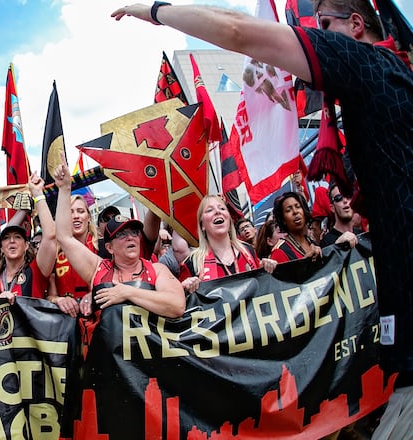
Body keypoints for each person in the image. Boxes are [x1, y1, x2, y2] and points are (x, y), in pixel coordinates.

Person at [113, 4, 412, 436]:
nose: (316, 33)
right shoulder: (390, 79)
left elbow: (238, 31)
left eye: (323, 26)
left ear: (356, 24)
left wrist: (155, 10)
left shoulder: (365, 62)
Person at [53, 162, 185, 318]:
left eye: (134, 232)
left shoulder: (157, 270)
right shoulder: (98, 270)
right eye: (121, 234)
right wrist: (64, 189)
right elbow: (64, 237)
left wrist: (127, 292)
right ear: (109, 247)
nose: (130, 237)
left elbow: (177, 305)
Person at [179, 195, 276, 293]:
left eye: (222, 208)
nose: (218, 212)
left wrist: (266, 269)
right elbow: (180, 300)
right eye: (209, 210)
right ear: (202, 225)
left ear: (229, 219)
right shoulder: (192, 263)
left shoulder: (248, 251)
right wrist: (184, 289)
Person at [0, 173, 57, 302]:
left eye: (17, 237)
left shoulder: (36, 271)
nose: (12, 241)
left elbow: (50, 236)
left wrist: (38, 194)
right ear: (1, 248)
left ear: (26, 245)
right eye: (6, 238)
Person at [270, 192, 323, 263]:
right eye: (288, 210)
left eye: (298, 207)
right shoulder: (279, 252)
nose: (295, 212)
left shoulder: (311, 242)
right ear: (283, 220)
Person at [319, 183, 360, 248]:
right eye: (338, 198)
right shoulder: (326, 242)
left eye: (348, 196)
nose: (345, 201)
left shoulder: (361, 235)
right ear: (332, 208)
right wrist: (336, 247)